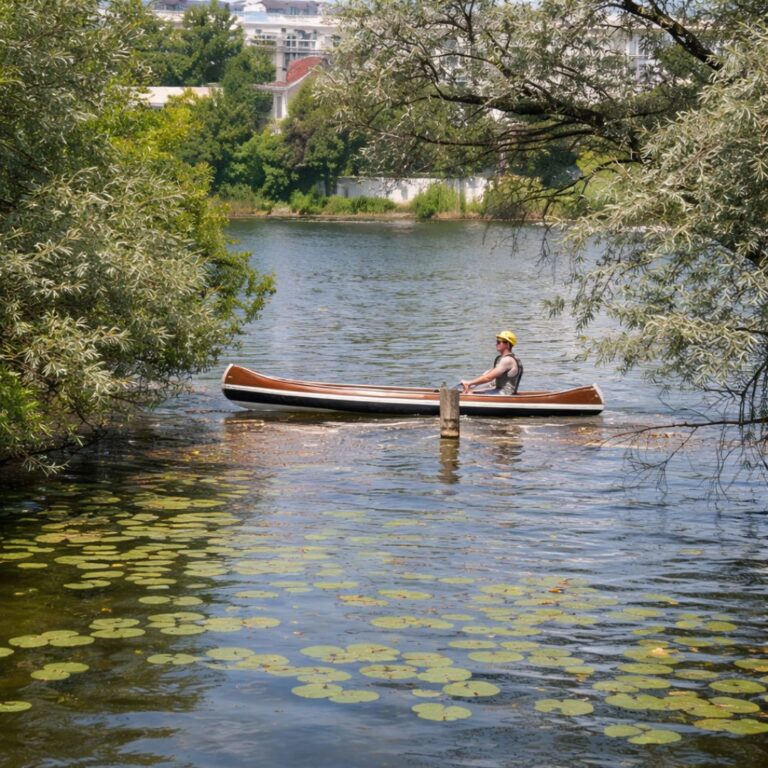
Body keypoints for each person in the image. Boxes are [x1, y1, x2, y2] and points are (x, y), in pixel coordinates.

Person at [461, 330, 523, 395]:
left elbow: (488, 378)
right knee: (471, 391)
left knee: (470, 393)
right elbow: (487, 374)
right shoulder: (501, 358)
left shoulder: (507, 360)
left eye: (499, 342)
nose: (496, 344)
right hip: (498, 390)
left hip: (505, 394)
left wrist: (469, 383)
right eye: (496, 342)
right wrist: (472, 385)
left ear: (507, 344)